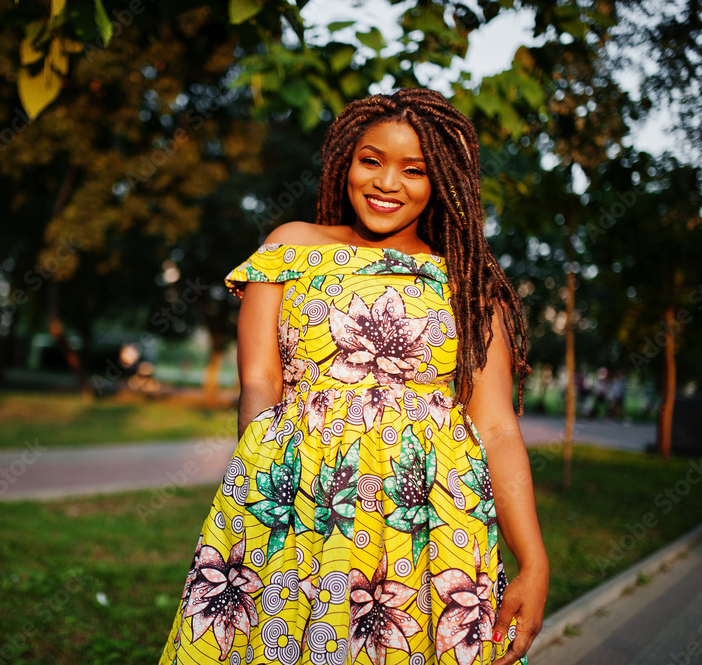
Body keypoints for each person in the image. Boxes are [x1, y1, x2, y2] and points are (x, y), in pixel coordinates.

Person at [160, 88, 548, 665]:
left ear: (440, 179)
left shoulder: (468, 284)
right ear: (347, 161)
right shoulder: (291, 248)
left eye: (413, 170)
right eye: (372, 160)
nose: (387, 183)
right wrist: (266, 486)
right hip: (299, 503)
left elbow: (495, 428)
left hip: (432, 525)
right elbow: (261, 382)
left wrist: (534, 561)